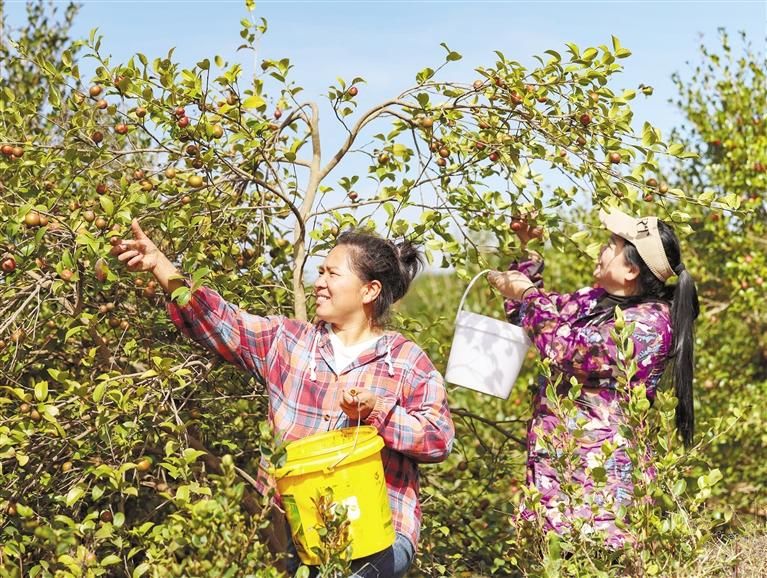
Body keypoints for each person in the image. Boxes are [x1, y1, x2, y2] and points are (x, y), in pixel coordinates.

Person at [112, 220, 455, 577]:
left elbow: (438, 439)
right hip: (296, 533)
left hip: (377, 536)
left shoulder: (406, 361)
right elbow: (220, 320)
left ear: (369, 291)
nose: (319, 282)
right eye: (319, 271)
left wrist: (377, 411)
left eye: (331, 274)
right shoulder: (288, 342)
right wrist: (161, 266)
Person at [488, 208, 699, 547]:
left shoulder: (648, 326)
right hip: (556, 484)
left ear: (631, 269)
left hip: (601, 498)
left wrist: (527, 293)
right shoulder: (594, 301)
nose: (602, 249)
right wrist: (528, 253)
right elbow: (531, 318)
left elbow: (563, 348)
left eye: (611, 244)